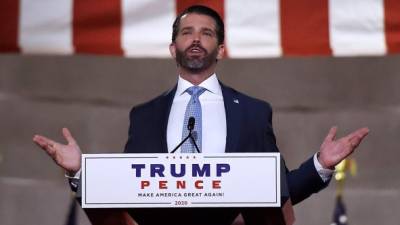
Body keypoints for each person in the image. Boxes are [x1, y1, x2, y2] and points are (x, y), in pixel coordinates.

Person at [33, 5, 369, 225]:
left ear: (221, 50)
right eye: (186, 32)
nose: (196, 38)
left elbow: (274, 190)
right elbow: (129, 192)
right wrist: (81, 173)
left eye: (207, 33)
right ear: (172, 48)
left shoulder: (253, 112)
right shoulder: (145, 115)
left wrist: (320, 165)